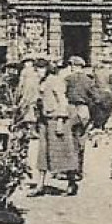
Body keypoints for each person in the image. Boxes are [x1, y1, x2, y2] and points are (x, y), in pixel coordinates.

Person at [33, 65, 82, 195]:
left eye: (39, 69)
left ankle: (72, 184)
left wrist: (60, 120)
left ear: (46, 69)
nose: (37, 72)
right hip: (45, 120)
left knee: (63, 152)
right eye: (36, 69)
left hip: (57, 120)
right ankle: (40, 185)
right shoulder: (43, 82)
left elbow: (62, 101)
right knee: (42, 153)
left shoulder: (56, 81)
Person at [61, 55, 94, 174]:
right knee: (81, 140)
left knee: (70, 140)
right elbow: (94, 96)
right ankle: (79, 169)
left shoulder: (68, 79)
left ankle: (70, 169)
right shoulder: (88, 80)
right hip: (84, 109)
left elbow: (62, 94)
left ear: (74, 66)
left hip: (71, 109)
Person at [89, 65, 112, 138]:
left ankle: (98, 127)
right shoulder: (110, 73)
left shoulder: (96, 73)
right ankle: (104, 127)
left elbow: (92, 84)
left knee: (98, 111)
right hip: (107, 93)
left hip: (98, 93)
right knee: (108, 111)